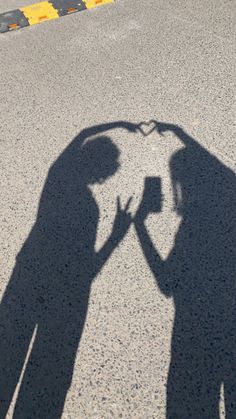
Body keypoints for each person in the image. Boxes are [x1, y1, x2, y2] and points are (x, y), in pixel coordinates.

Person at [0, 121, 136, 419]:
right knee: (46, 380)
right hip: (62, 298)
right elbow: (86, 270)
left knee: (5, 355)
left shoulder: (59, 178)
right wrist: (116, 235)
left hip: (29, 278)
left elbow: (81, 135)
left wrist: (119, 125)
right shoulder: (87, 207)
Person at [134, 123, 236, 418]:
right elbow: (216, 167)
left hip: (194, 335)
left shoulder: (193, 229)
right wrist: (178, 132)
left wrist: (139, 225)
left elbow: (166, 283)